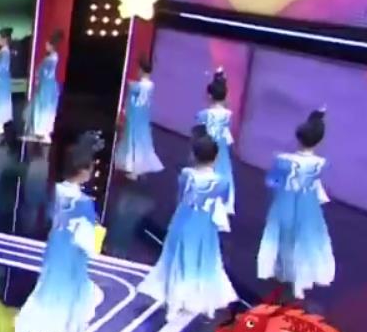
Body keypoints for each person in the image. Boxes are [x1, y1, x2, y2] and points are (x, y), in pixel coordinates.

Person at [15, 133, 105, 332]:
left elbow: (50, 215)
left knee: (49, 282)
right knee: (72, 285)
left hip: (56, 244)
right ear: (82, 171)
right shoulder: (83, 201)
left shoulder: (55, 190)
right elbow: (89, 231)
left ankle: (30, 323)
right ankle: (68, 325)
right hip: (74, 250)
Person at [138, 127, 237, 319]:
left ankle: (174, 303)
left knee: (179, 259)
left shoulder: (186, 174)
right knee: (204, 260)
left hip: (184, 222)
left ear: (193, 155)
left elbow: (181, 197)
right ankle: (201, 301)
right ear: (216, 157)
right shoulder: (222, 181)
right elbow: (222, 201)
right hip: (206, 227)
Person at [257, 110, 335, 299]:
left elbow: (271, 181)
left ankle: (282, 270)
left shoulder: (283, 160)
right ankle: (300, 276)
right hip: (308, 204)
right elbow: (315, 184)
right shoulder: (320, 162)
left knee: (283, 235)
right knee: (305, 237)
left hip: (285, 201)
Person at [113, 57, 165, 179]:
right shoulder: (150, 85)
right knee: (138, 141)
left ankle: (133, 169)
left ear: (141, 70)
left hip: (135, 117)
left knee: (133, 141)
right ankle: (133, 167)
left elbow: (135, 100)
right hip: (142, 118)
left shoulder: (138, 86)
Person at [197, 68, 236, 227]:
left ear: (209, 95)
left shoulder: (203, 114)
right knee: (224, 173)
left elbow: (199, 133)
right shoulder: (228, 114)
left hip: (207, 148)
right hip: (222, 148)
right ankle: (224, 203)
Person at [21, 31, 63, 143]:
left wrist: (39, 77)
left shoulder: (52, 59)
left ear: (51, 45)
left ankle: (43, 133)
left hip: (46, 87)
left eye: (47, 44)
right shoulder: (50, 57)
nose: (46, 46)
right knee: (37, 108)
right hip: (44, 86)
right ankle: (36, 132)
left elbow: (46, 73)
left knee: (43, 109)